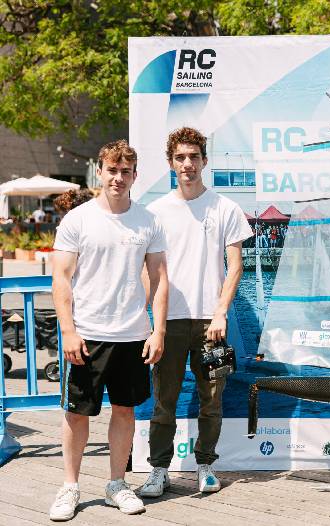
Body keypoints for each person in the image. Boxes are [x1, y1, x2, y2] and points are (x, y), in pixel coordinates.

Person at [49, 140, 168, 521]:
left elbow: (159, 278)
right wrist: (68, 331)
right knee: (77, 414)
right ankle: (70, 486)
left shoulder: (148, 220)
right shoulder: (78, 219)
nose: (118, 178)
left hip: (132, 335)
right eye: (112, 170)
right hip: (87, 335)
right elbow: (61, 279)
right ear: (99, 171)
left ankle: (117, 483)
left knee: (125, 411)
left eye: (125, 172)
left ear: (135, 176)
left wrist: (157, 330)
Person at [138, 127, 252, 498]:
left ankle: (205, 465)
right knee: (164, 401)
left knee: (212, 400)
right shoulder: (155, 212)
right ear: (171, 163)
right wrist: (145, 317)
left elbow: (235, 267)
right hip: (167, 322)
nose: (187, 164)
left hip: (211, 323)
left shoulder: (225, 208)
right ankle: (159, 470)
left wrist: (220, 313)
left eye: (193, 157)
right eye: (180, 157)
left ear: (204, 160)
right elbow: (148, 271)